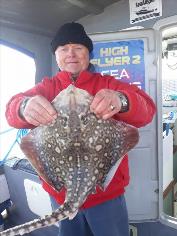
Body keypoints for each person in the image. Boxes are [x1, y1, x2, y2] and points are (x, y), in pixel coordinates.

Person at [5, 22, 156, 236]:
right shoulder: (47, 88)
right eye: (64, 49)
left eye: (78, 47)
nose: (71, 54)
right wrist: (23, 107)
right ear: (56, 55)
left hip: (104, 196)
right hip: (61, 195)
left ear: (88, 53)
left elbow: (147, 109)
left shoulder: (108, 84)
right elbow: (11, 110)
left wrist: (121, 100)